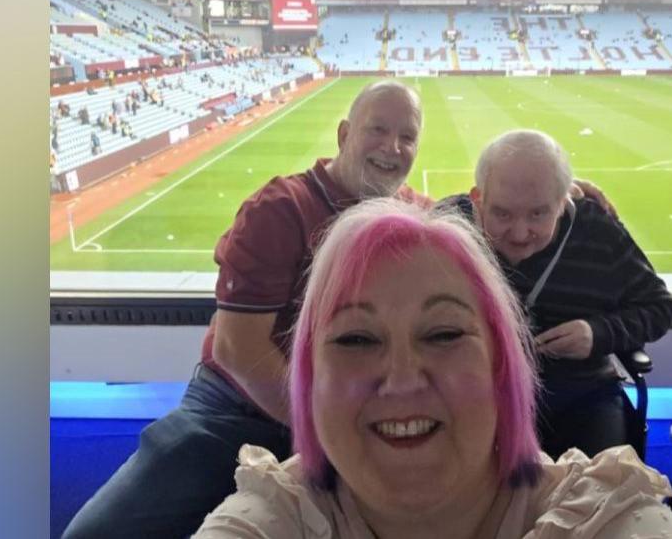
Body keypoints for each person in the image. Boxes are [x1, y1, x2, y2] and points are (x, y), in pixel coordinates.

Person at [64, 82, 615, 539]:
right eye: (378, 129)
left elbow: (476, 215)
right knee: (100, 532)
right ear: (345, 135)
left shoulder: (412, 215)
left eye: (407, 137)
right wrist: (329, 428)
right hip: (235, 407)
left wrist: (564, 194)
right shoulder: (279, 209)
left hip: (347, 411)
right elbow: (239, 349)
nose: (392, 147)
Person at [194, 198, 672, 538]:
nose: (403, 379)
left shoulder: (608, 517)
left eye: (445, 334)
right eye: (356, 339)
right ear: (310, 380)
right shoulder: (273, 514)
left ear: (501, 366)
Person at [440, 130, 672, 459]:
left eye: (539, 213)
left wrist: (596, 334)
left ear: (564, 200)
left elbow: (659, 307)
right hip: (477, 392)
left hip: (581, 395)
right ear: (478, 198)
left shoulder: (598, 230)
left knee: (601, 489)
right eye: (502, 214)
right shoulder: (449, 226)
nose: (520, 234)